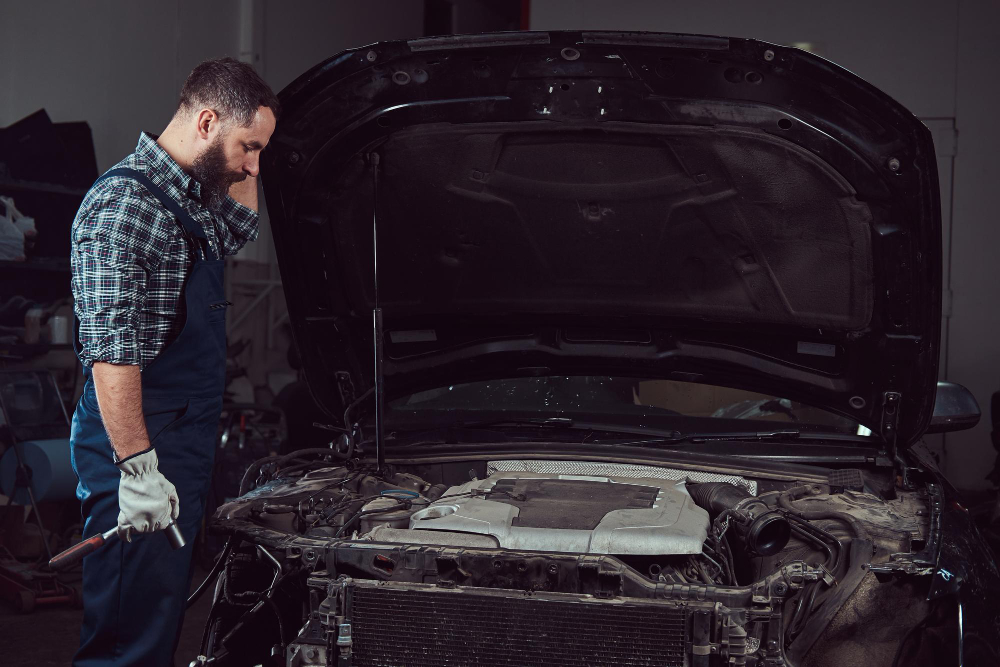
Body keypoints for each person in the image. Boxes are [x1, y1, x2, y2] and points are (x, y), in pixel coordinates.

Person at [69, 57, 278, 666]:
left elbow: (242, 226)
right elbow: (111, 354)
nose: (253, 166)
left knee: (158, 612)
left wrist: (247, 145)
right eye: (248, 147)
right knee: (125, 629)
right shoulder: (124, 209)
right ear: (207, 121)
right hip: (136, 434)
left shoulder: (192, 196)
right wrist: (136, 469)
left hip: (181, 430)